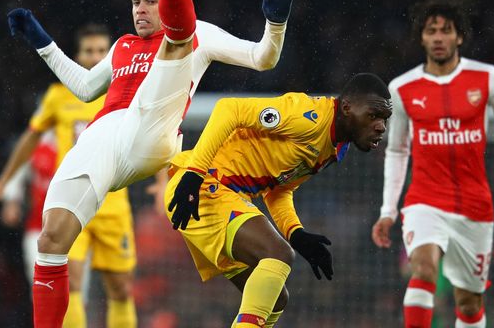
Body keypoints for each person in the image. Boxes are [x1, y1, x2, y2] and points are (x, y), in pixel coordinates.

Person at [1, 0, 295, 327]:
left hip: (154, 131)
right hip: (105, 135)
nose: (140, 9)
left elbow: (262, 58)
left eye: (150, 1)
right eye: (136, 1)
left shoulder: (202, 34)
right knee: (51, 240)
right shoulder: (121, 45)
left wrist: (276, 23)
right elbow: (86, 89)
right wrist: (42, 42)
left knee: (179, 42)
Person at [166, 73, 392, 328]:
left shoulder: (335, 147)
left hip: (219, 194)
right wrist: (194, 176)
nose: (381, 127)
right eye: (373, 115)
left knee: (275, 300)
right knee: (278, 253)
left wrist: (296, 233)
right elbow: (229, 109)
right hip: (203, 186)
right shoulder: (308, 117)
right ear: (347, 107)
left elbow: (279, 189)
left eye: (385, 119)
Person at [370, 0, 494, 328]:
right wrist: (388, 210)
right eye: (431, 31)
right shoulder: (402, 89)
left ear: (459, 37)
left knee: (469, 304)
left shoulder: (487, 78)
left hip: (475, 205)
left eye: (446, 30)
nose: (439, 37)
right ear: (421, 39)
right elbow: (397, 151)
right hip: (424, 199)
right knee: (423, 269)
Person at [0, 24, 144, 328]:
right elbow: (30, 138)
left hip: (114, 206)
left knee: (121, 289)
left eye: (100, 51)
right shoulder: (58, 96)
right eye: (88, 51)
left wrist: (163, 180)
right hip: (74, 200)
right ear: (77, 55)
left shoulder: (127, 90)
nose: (95, 57)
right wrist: (3, 183)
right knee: (73, 282)